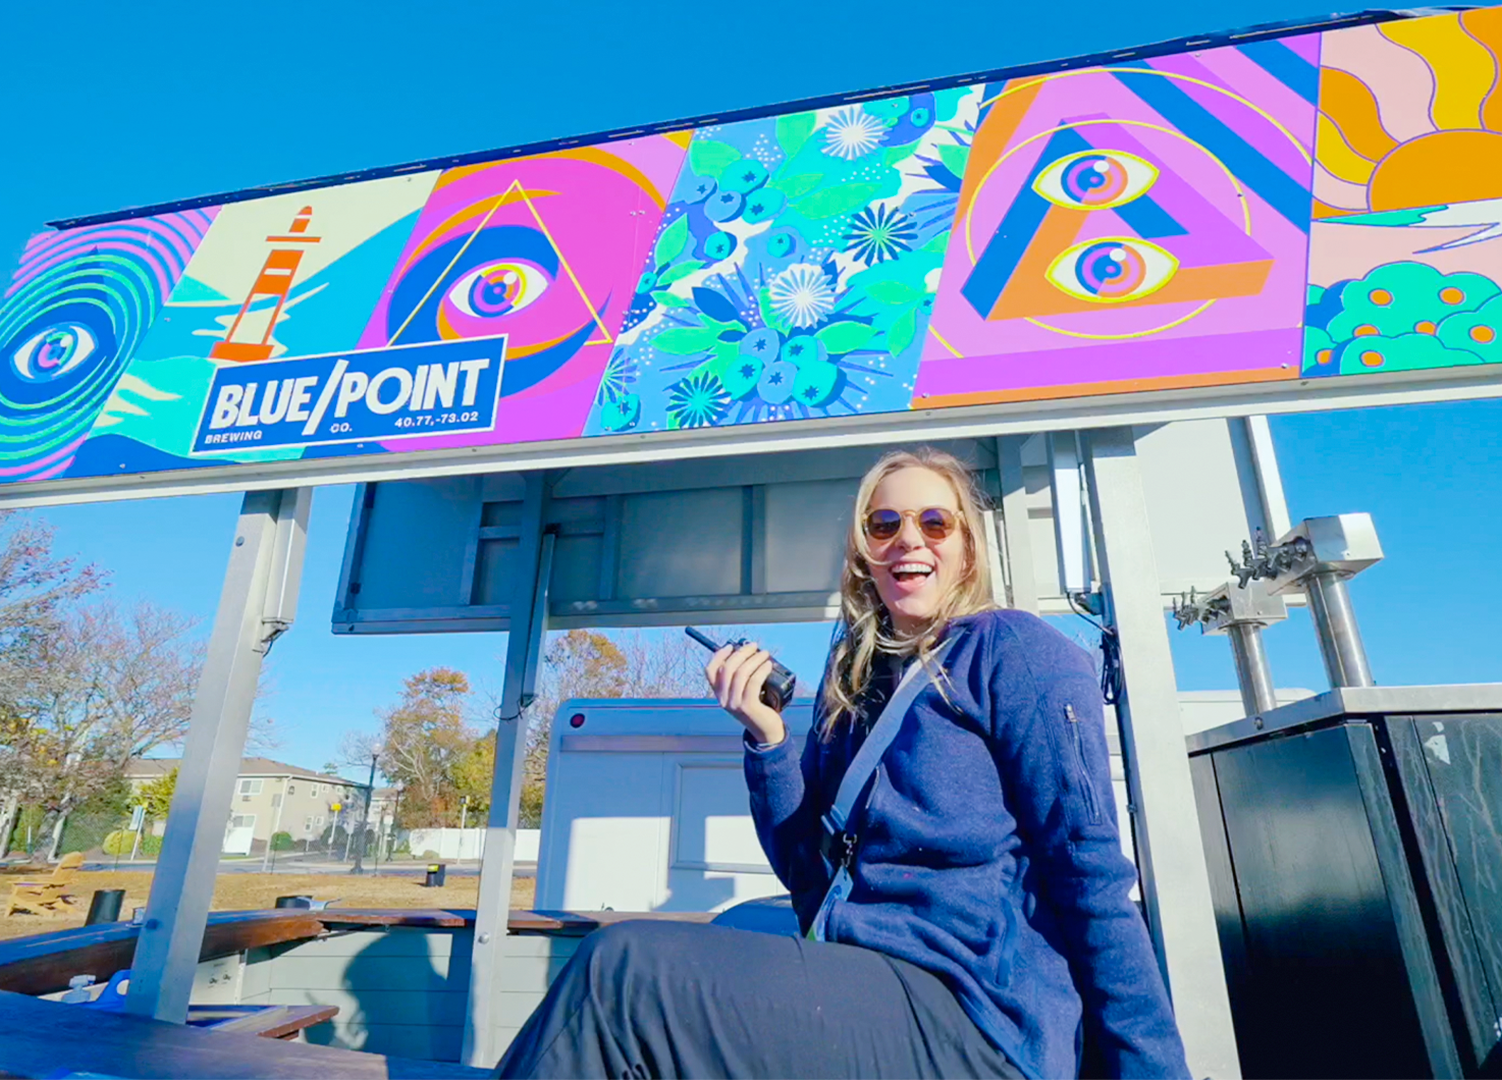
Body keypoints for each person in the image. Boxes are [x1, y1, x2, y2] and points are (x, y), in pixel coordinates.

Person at [495, 447, 1190, 1080]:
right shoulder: (854, 684)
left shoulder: (1015, 652)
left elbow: (1090, 878)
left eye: (935, 523)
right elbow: (809, 874)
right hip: (859, 985)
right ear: (864, 552)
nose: (908, 539)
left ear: (969, 550)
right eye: (884, 524)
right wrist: (767, 740)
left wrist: (1153, 1072)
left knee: (622, 974)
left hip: (975, 1017)